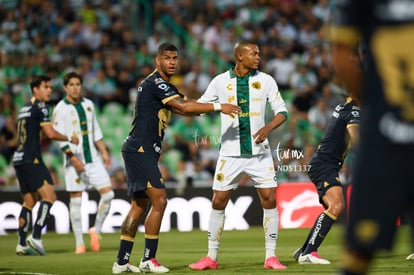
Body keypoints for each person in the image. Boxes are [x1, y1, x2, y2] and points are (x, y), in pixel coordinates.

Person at [111, 42, 241, 274]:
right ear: (157, 61)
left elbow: (187, 105)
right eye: (167, 58)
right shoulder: (157, 83)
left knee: (139, 205)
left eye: (175, 58)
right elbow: (183, 107)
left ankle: (122, 261)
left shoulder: (158, 85)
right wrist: (219, 106)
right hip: (140, 149)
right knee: (159, 200)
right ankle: (149, 259)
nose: (172, 62)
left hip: (138, 148)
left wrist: (205, 104)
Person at [328, 1, 414, 274]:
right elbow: (342, 57)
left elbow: (342, 57)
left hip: (384, 137)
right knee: (359, 251)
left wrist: (375, 108)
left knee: (358, 254)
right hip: (385, 140)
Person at [188, 40, 288, 271]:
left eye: (259, 54)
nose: (258, 57)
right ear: (239, 56)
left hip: (259, 154)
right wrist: (216, 107)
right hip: (230, 154)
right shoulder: (220, 82)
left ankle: (271, 257)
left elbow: (282, 111)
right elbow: (199, 106)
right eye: (254, 53)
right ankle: (211, 257)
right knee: (218, 200)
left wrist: (267, 128)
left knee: (270, 199)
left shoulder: (266, 80)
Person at [13, 75, 79, 256]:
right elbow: (49, 133)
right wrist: (69, 137)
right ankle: (35, 236)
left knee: (29, 202)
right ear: (35, 89)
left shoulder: (24, 108)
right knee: (50, 196)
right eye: (46, 87)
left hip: (19, 159)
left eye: (50, 87)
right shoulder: (41, 107)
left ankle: (21, 244)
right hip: (32, 159)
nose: (49, 90)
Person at [52, 72, 114, 254]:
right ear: (65, 87)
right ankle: (79, 243)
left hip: (93, 158)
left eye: (77, 84)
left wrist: (104, 152)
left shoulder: (88, 105)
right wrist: (72, 157)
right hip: (74, 160)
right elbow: (58, 136)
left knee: (108, 195)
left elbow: (96, 130)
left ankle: (96, 229)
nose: (75, 87)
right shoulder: (60, 108)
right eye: (71, 84)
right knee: (76, 201)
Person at [292, 95, 360, 264]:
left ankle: (305, 249)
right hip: (325, 165)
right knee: (336, 205)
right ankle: (309, 253)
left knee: (333, 207)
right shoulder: (354, 112)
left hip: (323, 163)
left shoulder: (344, 108)